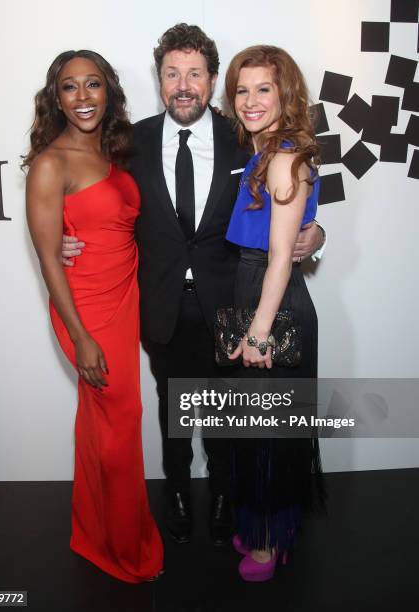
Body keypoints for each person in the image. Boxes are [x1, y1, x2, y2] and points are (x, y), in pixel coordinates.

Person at [62, 25, 325, 546]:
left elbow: (291, 202)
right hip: (162, 305)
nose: (183, 85)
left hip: (234, 306)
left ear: (211, 82)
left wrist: (315, 235)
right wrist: (65, 237)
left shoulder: (244, 134)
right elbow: (95, 197)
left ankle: (228, 494)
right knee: (172, 404)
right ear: (159, 79)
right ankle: (178, 492)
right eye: (171, 74)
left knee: (232, 412)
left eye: (195, 74)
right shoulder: (127, 141)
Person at [24, 50, 163, 583]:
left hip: (125, 296)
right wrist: (80, 337)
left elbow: (123, 225)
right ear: (54, 98)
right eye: (69, 87)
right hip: (87, 311)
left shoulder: (115, 151)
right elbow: (47, 260)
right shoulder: (50, 163)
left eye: (93, 85)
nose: (82, 97)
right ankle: (124, 550)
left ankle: (91, 532)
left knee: (98, 425)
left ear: (109, 91)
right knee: (121, 426)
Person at [223, 45, 326, 581]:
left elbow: (282, 255)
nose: (250, 99)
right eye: (242, 89)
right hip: (258, 294)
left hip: (273, 303)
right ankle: (270, 527)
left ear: (286, 94)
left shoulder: (284, 155)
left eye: (264, 88)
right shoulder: (268, 152)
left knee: (270, 432)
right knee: (262, 427)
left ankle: (268, 545)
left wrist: (260, 329)